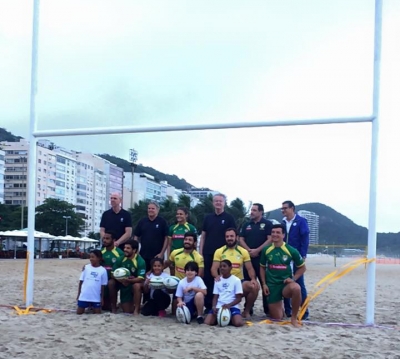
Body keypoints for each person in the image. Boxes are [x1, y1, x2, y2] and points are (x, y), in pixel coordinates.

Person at [259, 224, 306, 327]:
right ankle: (281, 310)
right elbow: (262, 267)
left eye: (278, 232)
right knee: (277, 318)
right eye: (273, 232)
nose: (275, 234)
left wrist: (293, 279)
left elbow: (302, 268)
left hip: (285, 284)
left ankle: (293, 317)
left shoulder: (291, 250)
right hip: (272, 285)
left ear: (283, 235)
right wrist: (264, 284)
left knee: (296, 288)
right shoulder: (266, 250)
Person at [211, 228, 259, 318]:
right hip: (224, 283)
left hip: (238, 283)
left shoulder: (243, 251)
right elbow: (213, 268)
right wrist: (217, 276)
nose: (229, 238)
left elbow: (250, 268)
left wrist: (253, 279)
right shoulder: (219, 251)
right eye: (227, 236)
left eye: (231, 236)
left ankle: (246, 311)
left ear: (237, 237)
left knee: (254, 286)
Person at [200, 193, 236, 310]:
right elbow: (203, 235)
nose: (218, 203)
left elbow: (234, 236)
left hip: (224, 254)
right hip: (208, 252)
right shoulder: (207, 218)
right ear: (213, 203)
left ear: (224, 203)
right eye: (216, 201)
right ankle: (209, 305)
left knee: (223, 278)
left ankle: (223, 303)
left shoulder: (229, 218)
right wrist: (201, 251)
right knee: (208, 279)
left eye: (220, 201)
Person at [239, 203, 272, 315]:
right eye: (251, 210)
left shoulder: (267, 224)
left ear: (261, 212)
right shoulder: (246, 225)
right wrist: (249, 250)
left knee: (264, 284)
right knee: (250, 284)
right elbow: (241, 239)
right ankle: (248, 308)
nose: (251, 212)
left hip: (262, 259)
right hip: (249, 260)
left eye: (254, 210)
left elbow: (270, 239)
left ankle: (267, 309)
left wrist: (257, 250)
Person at [281, 200, 310, 319]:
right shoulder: (282, 223)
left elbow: (305, 238)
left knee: (299, 284)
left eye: (285, 208)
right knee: (285, 282)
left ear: (292, 208)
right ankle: (288, 310)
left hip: (296, 257)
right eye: (282, 208)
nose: (283, 210)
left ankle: (304, 312)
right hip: (284, 258)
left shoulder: (301, 221)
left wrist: (303, 254)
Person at [165, 232, 204, 314]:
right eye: (186, 239)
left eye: (190, 240)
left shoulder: (198, 257)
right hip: (177, 285)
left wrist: (190, 287)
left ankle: (196, 310)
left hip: (190, 288)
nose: (187, 241)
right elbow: (166, 264)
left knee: (190, 312)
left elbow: (200, 275)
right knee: (175, 313)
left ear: (195, 243)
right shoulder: (175, 252)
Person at [110, 240, 146, 315]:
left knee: (137, 286)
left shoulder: (140, 261)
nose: (125, 250)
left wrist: (128, 281)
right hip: (122, 283)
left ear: (134, 250)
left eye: (128, 248)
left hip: (133, 284)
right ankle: (114, 307)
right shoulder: (120, 259)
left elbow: (141, 278)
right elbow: (112, 273)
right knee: (111, 283)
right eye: (125, 248)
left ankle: (137, 309)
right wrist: (120, 280)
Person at [204, 259, 243, 327]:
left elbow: (239, 298)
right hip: (220, 305)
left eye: (224, 266)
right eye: (221, 266)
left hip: (232, 305)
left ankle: (229, 317)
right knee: (207, 322)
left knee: (238, 323)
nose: (222, 268)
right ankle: (222, 317)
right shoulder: (217, 280)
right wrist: (213, 306)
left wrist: (229, 305)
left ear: (230, 268)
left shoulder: (236, 280)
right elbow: (215, 297)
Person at [133, 201, 169, 272]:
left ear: (157, 210)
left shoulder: (162, 222)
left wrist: (162, 253)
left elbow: (166, 238)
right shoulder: (142, 222)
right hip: (143, 255)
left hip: (157, 256)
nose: (150, 210)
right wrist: (136, 251)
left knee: (156, 278)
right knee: (143, 276)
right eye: (149, 208)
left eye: (153, 208)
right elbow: (136, 236)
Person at [76, 250, 108, 315]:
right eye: (90, 257)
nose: (91, 259)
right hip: (84, 296)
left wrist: (101, 298)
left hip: (95, 297)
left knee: (97, 313)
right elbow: (81, 282)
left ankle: (92, 306)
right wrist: (78, 295)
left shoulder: (103, 270)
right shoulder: (86, 268)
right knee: (79, 312)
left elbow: (102, 286)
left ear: (99, 258)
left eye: (93, 257)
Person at [100, 230, 124, 310]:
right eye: (104, 238)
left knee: (111, 283)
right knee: (105, 307)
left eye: (107, 239)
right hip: (102, 279)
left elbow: (122, 268)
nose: (105, 240)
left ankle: (114, 307)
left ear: (113, 240)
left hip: (115, 280)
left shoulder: (119, 253)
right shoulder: (101, 252)